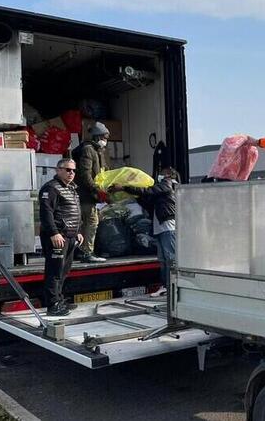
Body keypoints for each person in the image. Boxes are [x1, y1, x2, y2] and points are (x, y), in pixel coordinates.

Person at [112, 167, 178, 297]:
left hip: (168, 227)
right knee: (163, 259)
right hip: (161, 227)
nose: (159, 175)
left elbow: (149, 191)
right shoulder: (162, 191)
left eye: (162, 173)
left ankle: (172, 286)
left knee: (170, 258)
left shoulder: (168, 184)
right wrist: (136, 195)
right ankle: (166, 286)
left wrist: (125, 187)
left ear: (169, 175)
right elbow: (148, 200)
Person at [39, 158, 84, 316]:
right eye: (68, 169)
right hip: (57, 238)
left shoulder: (72, 188)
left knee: (64, 270)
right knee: (54, 271)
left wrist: (77, 231)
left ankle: (59, 299)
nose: (71, 173)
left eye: (73, 170)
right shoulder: (50, 188)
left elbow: (74, 211)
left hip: (70, 237)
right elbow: (46, 213)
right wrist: (54, 233)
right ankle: (53, 305)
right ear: (58, 170)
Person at [72, 121, 109, 263]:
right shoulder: (89, 150)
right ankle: (87, 252)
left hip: (87, 194)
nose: (105, 141)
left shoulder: (96, 150)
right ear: (97, 137)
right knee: (92, 222)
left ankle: (82, 251)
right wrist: (96, 189)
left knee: (84, 223)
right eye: (104, 138)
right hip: (86, 195)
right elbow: (85, 174)